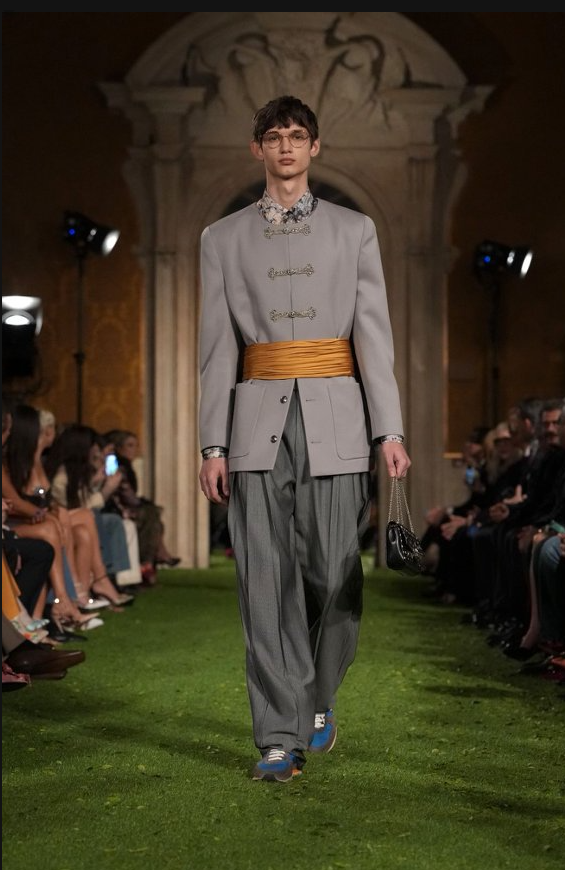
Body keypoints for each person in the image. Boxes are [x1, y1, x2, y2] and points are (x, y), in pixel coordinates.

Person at [198, 95, 410, 783]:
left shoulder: (355, 230)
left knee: (333, 571)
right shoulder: (220, 238)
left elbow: (373, 336)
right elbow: (215, 349)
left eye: (296, 135)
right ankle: (277, 735)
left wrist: (389, 430)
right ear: (257, 149)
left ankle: (317, 694)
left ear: (314, 147)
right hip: (254, 419)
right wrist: (211, 445)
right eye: (273, 136)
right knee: (263, 577)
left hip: (335, 416)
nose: (285, 146)